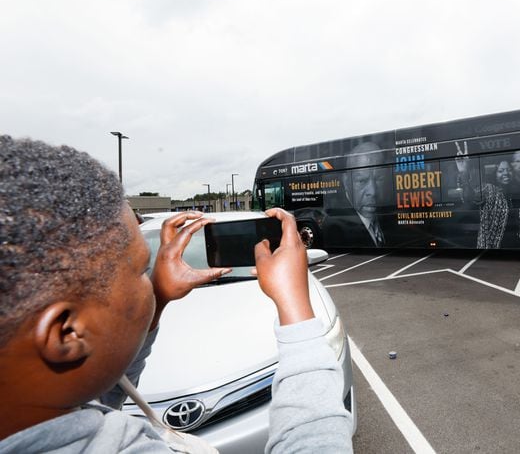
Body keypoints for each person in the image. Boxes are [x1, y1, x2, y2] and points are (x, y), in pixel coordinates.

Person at [0, 136, 353, 453]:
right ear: (66, 333)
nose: (152, 281)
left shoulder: (41, 404)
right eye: (142, 270)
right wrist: (295, 305)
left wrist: (158, 299)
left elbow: (99, 392)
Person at [324, 140, 391, 247]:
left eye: (379, 178)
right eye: (362, 181)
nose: (372, 191)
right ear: (346, 182)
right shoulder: (336, 226)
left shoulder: (387, 217)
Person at [455, 142, 515, 248]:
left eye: (509, 170)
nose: (506, 173)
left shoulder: (494, 189)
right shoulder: (486, 190)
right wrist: (463, 171)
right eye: (501, 171)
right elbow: (469, 198)